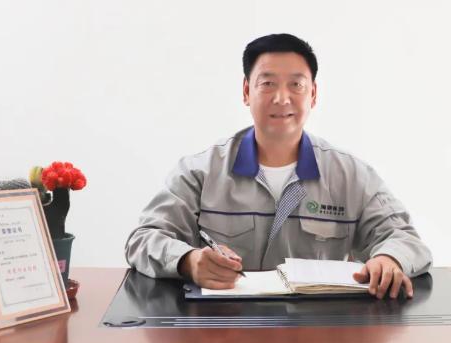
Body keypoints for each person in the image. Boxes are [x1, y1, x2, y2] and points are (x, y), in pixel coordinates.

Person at [125, 33, 432, 299]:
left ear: (313, 94)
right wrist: (188, 260)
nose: (282, 98)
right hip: (224, 330)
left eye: (296, 85)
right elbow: (143, 239)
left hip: (319, 332)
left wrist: (390, 259)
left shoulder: (351, 176)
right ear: (247, 91)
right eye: (268, 83)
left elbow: (405, 238)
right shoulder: (200, 172)